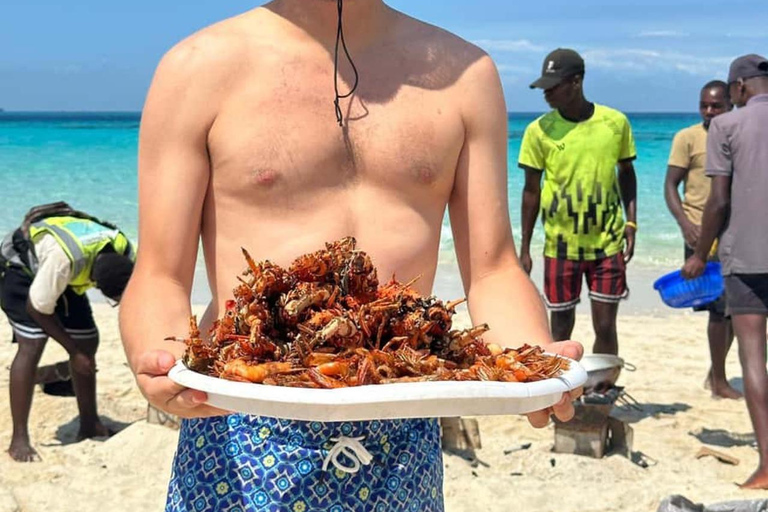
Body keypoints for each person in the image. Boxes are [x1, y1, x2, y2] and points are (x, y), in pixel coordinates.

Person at [118, 1, 583, 510]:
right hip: (238, 408)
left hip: (403, 405)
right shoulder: (197, 68)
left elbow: (493, 268)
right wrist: (158, 364)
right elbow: (160, 273)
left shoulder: (467, 76)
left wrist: (532, 365)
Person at [683, 54, 768, 489]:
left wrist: (700, 254)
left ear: (737, 88)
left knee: (754, 356)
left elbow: (717, 201)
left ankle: (767, 465)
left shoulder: (726, 127)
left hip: (748, 259)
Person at [518, 48, 637, 356]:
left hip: (607, 244)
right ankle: (561, 392)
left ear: (577, 82)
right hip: (559, 245)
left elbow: (627, 173)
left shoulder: (615, 123)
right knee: (559, 328)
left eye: (553, 86)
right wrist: (525, 248)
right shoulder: (538, 131)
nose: (546, 93)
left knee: (606, 326)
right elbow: (531, 191)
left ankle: (601, 391)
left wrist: (631, 222)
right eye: (543, 87)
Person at [0, 202, 135, 462]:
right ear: (94, 282)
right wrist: (71, 350)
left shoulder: (126, 250)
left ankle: (89, 425)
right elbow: (37, 307)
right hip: (18, 268)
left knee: (88, 341)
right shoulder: (65, 262)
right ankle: (19, 439)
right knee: (32, 345)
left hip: (62, 269)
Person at [664, 80, 741, 400]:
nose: (709, 112)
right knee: (717, 310)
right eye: (704, 106)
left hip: (736, 232)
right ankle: (719, 380)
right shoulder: (688, 138)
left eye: (717, 106)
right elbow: (670, 186)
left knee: (739, 306)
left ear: (730, 105)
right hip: (700, 233)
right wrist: (685, 225)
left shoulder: (739, 134)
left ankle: (716, 371)